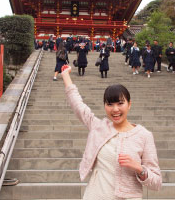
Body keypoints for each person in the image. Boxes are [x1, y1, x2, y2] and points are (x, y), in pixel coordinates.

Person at [59, 66, 162, 199]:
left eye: (120, 103)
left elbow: (157, 183)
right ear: (104, 106)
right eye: (110, 104)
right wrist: (65, 75)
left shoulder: (143, 136)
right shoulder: (99, 127)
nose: (115, 109)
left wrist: (139, 169)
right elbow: (78, 105)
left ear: (129, 104)